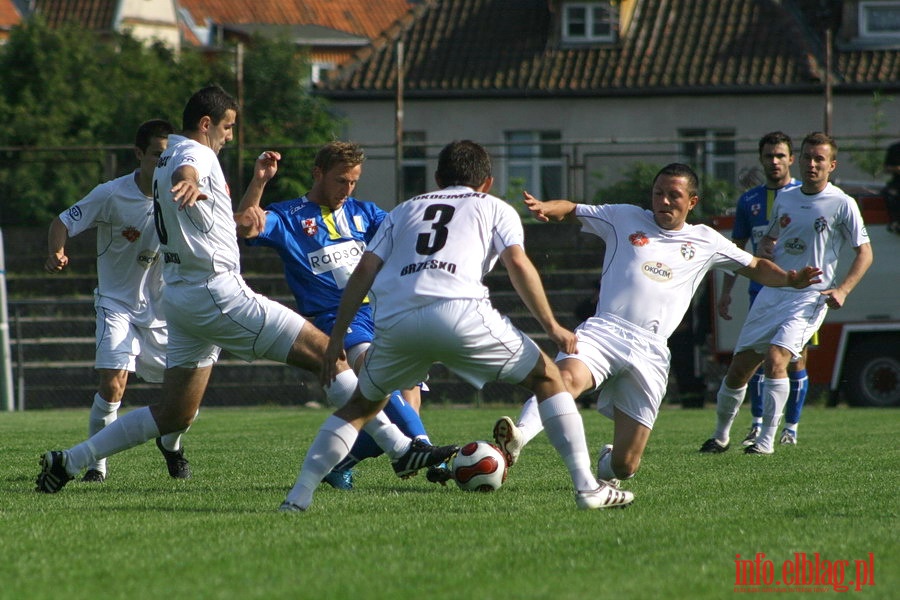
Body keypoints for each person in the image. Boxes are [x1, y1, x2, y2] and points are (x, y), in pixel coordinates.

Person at [36, 85, 455, 494]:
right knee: (327, 352)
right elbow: (190, 168)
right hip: (216, 291)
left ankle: (70, 461)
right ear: (207, 123)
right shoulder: (191, 154)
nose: (231, 136)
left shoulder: (165, 159)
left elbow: (216, 200)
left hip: (182, 297)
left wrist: (213, 182)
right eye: (229, 127)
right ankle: (401, 450)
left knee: (174, 413)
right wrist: (188, 181)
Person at [281, 140, 634, 512]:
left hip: (396, 319)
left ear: (437, 179)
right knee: (549, 378)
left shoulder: (403, 210)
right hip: (460, 311)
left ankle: (297, 498)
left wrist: (336, 336)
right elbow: (518, 264)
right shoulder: (496, 207)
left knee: (359, 407)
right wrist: (552, 325)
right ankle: (587, 488)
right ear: (487, 183)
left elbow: (364, 271)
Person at [489, 163, 821, 488]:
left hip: (650, 351)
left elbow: (756, 266)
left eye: (673, 195)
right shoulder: (623, 217)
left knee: (624, 466)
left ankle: (608, 462)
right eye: (658, 193)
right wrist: (549, 206)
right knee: (563, 379)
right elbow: (573, 208)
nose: (663, 201)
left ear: (692, 202)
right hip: (604, 331)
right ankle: (518, 437)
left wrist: (790, 279)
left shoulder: (706, 240)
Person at [236, 141, 449, 488]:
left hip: (382, 313)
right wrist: (260, 181)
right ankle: (424, 451)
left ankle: (342, 462)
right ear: (318, 173)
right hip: (336, 320)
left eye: (353, 182)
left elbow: (406, 238)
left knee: (404, 399)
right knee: (375, 375)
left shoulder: (365, 213)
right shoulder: (289, 216)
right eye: (340, 181)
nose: (346, 190)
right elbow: (246, 227)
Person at [700, 132, 873, 455]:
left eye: (819, 159)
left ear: (831, 165)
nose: (812, 163)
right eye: (808, 156)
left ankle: (767, 441)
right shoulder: (787, 197)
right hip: (774, 290)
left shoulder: (842, 203)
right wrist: (767, 245)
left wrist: (844, 290)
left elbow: (865, 252)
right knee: (740, 367)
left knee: (777, 358)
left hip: (810, 297)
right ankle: (721, 436)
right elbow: (772, 238)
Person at [44, 119, 191, 483]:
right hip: (116, 302)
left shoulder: (180, 195)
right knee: (113, 383)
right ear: (139, 154)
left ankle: (171, 448)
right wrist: (56, 251)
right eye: (156, 154)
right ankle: (95, 467)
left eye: (168, 156)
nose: (163, 162)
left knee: (182, 397)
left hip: (162, 310)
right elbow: (62, 221)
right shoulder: (111, 193)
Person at [716, 131, 813, 447]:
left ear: (791, 159)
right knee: (755, 358)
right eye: (769, 156)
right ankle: (757, 425)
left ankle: (791, 428)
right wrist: (727, 289)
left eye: (780, 155)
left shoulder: (806, 193)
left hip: (800, 294)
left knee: (793, 359)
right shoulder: (749, 200)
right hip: (761, 291)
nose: (774, 161)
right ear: (761, 159)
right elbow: (739, 248)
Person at [881, 140, 900, 234]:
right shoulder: (894, 148)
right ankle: (895, 222)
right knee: (890, 194)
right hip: (897, 182)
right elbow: (886, 168)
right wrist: (895, 169)